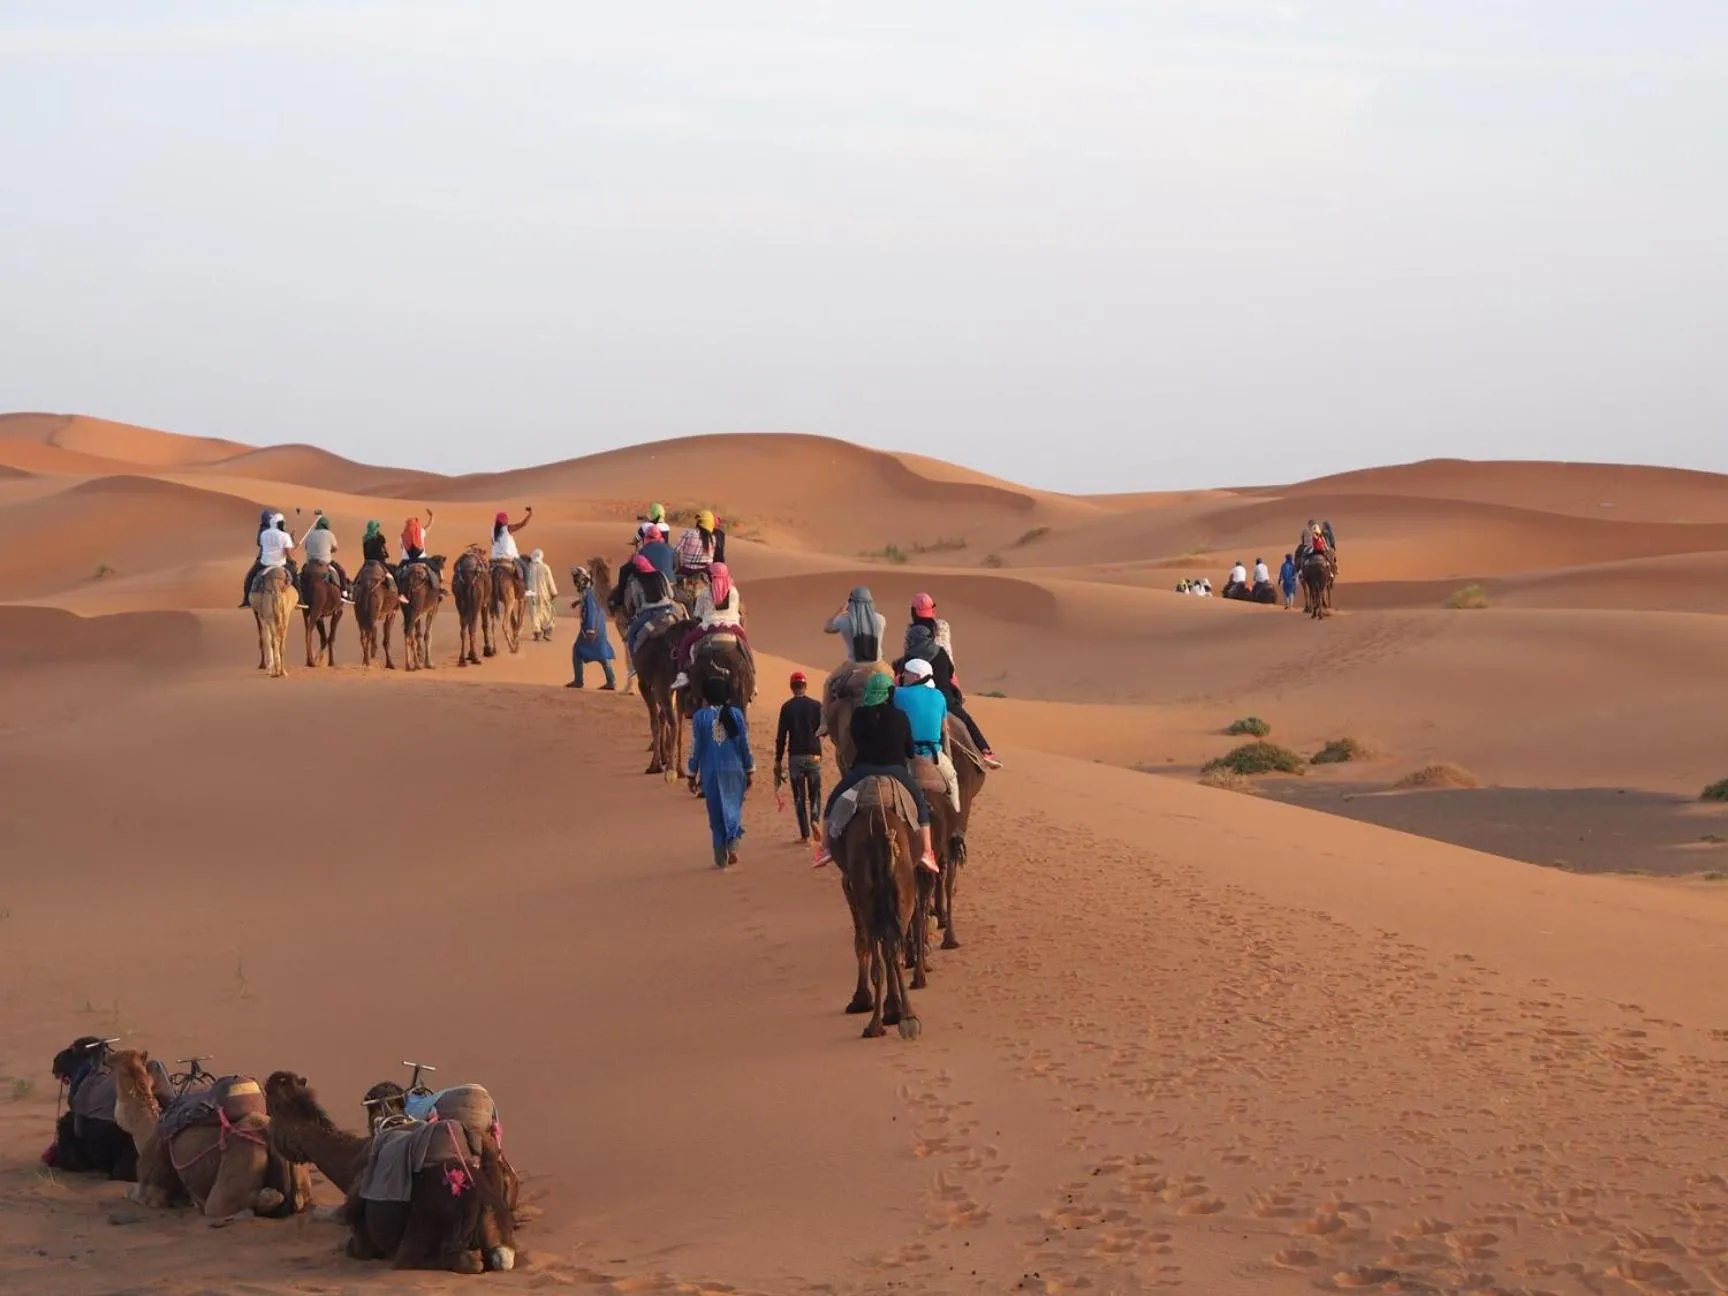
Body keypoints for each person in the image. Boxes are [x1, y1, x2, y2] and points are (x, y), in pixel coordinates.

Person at [812, 672, 939, 873]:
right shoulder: (900, 716)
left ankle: (825, 848)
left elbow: (855, 742)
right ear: (889, 693)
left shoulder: (859, 715)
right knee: (920, 805)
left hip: (863, 769)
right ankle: (927, 852)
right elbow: (909, 749)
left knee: (832, 802)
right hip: (896, 771)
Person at [898, 619, 1003, 768]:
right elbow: (950, 673)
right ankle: (986, 751)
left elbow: (901, 679)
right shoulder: (940, 652)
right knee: (966, 720)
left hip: (912, 699)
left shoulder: (909, 658)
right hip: (944, 699)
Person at [687, 674, 754, 869]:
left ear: (706, 696)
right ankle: (732, 845)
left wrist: (691, 774)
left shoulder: (700, 717)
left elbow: (695, 748)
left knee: (715, 813)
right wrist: (750, 769)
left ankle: (720, 855)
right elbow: (744, 744)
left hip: (711, 773)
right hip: (735, 771)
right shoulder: (736, 714)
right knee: (733, 807)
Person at [670, 562, 751, 692]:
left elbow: (697, 614)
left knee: (686, 643)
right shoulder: (733, 591)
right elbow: (735, 611)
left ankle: (683, 674)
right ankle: (751, 676)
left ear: (711, 576)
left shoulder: (705, 592)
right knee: (746, 648)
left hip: (708, 627)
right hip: (733, 627)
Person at [894, 657, 961, 812]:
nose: (903, 676)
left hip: (906, 756)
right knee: (951, 778)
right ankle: (956, 814)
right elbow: (944, 728)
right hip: (934, 755)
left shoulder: (898, 694)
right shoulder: (939, 696)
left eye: (907, 673)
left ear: (917, 676)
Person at [774, 671, 823, 841]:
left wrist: (778, 760)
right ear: (805, 686)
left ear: (791, 687)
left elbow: (781, 737)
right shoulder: (816, 706)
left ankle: (804, 834)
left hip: (795, 757)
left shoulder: (787, 708)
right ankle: (815, 819)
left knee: (799, 797)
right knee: (815, 793)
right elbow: (823, 730)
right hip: (814, 755)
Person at [566, 563, 618, 690]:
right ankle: (610, 680)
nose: (576, 581)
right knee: (600, 652)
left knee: (580, 650)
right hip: (596, 624)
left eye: (577, 579)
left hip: (592, 626)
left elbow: (592, 609)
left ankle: (579, 680)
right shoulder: (589, 591)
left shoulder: (588, 593)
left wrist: (590, 629)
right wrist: (577, 603)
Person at [240, 510, 298, 606]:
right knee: (294, 575)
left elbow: (262, 544)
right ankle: (299, 600)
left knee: (250, 577)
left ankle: (246, 600)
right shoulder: (285, 535)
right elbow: (289, 554)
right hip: (280, 563)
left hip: (264, 562)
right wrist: (294, 547)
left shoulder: (264, 533)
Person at [824, 586, 887, 663]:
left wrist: (841, 610)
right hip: (877, 663)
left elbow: (828, 628)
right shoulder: (880, 619)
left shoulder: (844, 620)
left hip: (853, 665)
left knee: (835, 676)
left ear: (851, 603)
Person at [300, 514, 352, 604]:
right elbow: (336, 548)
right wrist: (329, 550)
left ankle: (300, 596)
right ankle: (344, 593)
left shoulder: (311, 534)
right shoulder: (329, 534)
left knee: (301, 577)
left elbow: (306, 547)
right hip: (325, 562)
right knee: (341, 571)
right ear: (326, 525)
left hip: (310, 563)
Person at [490, 507, 533, 586]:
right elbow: (523, 524)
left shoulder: (492, 531)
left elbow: (493, 543)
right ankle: (527, 589)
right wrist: (530, 514)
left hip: (494, 558)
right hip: (509, 557)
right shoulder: (508, 528)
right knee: (526, 568)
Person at [526, 548, 558, 641]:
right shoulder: (545, 567)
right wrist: (554, 592)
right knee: (547, 612)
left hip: (531, 594)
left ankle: (537, 632)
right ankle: (547, 631)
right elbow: (550, 580)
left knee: (534, 613)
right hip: (544, 594)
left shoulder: (529, 567)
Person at [674, 509, 719, 575]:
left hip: (687, 570)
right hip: (705, 572)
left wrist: (678, 565)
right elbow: (711, 559)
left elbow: (675, 551)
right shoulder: (713, 538)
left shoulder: (688, 533)